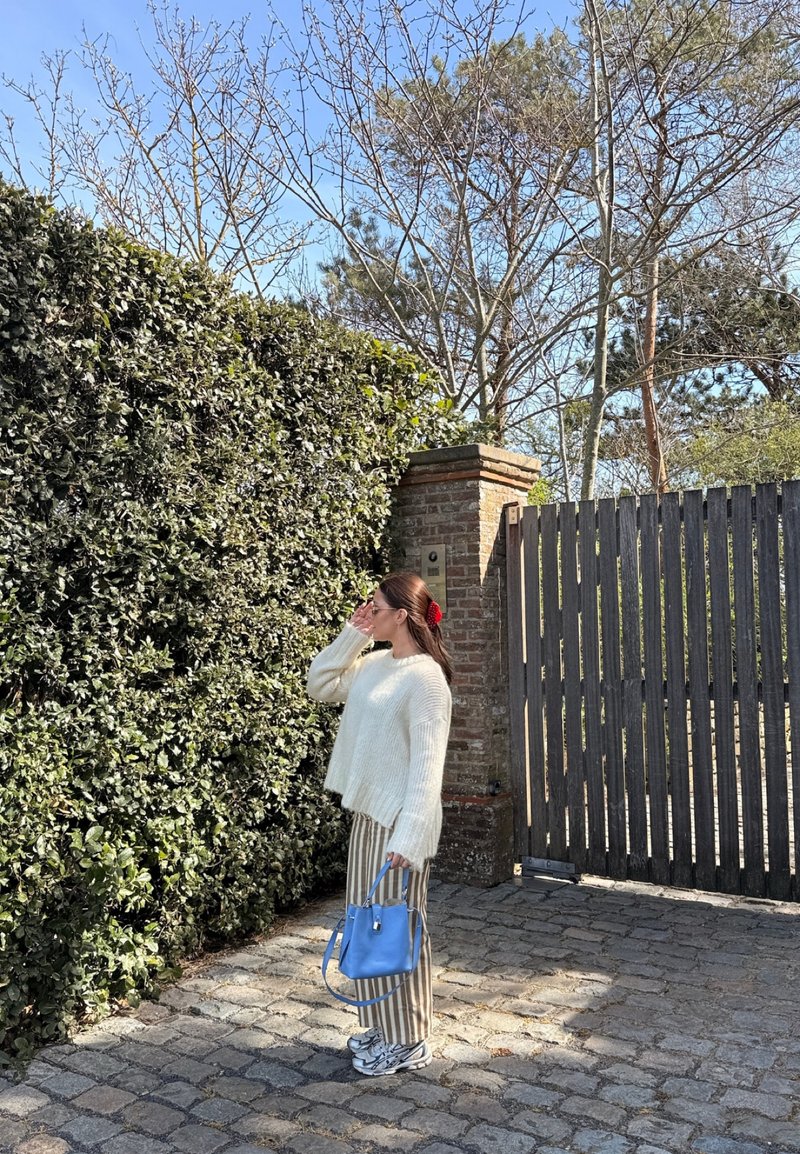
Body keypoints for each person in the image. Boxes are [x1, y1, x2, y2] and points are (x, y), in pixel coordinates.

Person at [307, 571, 453, 1076]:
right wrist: (354, 633)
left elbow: (426, 769)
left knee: (398, 928)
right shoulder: (372, 665)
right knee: (366, 923)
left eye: (375, 605)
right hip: (369, 816)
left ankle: (409, 1038)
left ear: (402, 616)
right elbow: (320, 683)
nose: (367, 610)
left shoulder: (427, 681)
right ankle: (382, 1024)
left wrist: (410, 839)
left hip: (401, 826)